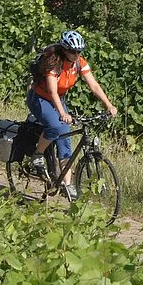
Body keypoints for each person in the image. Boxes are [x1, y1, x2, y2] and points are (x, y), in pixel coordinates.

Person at [27, 29, 117, 199]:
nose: (76, 54)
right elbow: (53, 92)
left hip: (58, 100)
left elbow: (94, 85)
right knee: (55, 126)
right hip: (40, 98)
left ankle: (67, 185)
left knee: (65, 141)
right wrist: (63, 114)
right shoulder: (53, 63)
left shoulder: (79, 63)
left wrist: (109, 105)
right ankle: (37, 154)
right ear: (64, 50)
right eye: (72, 51)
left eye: (79, 52)